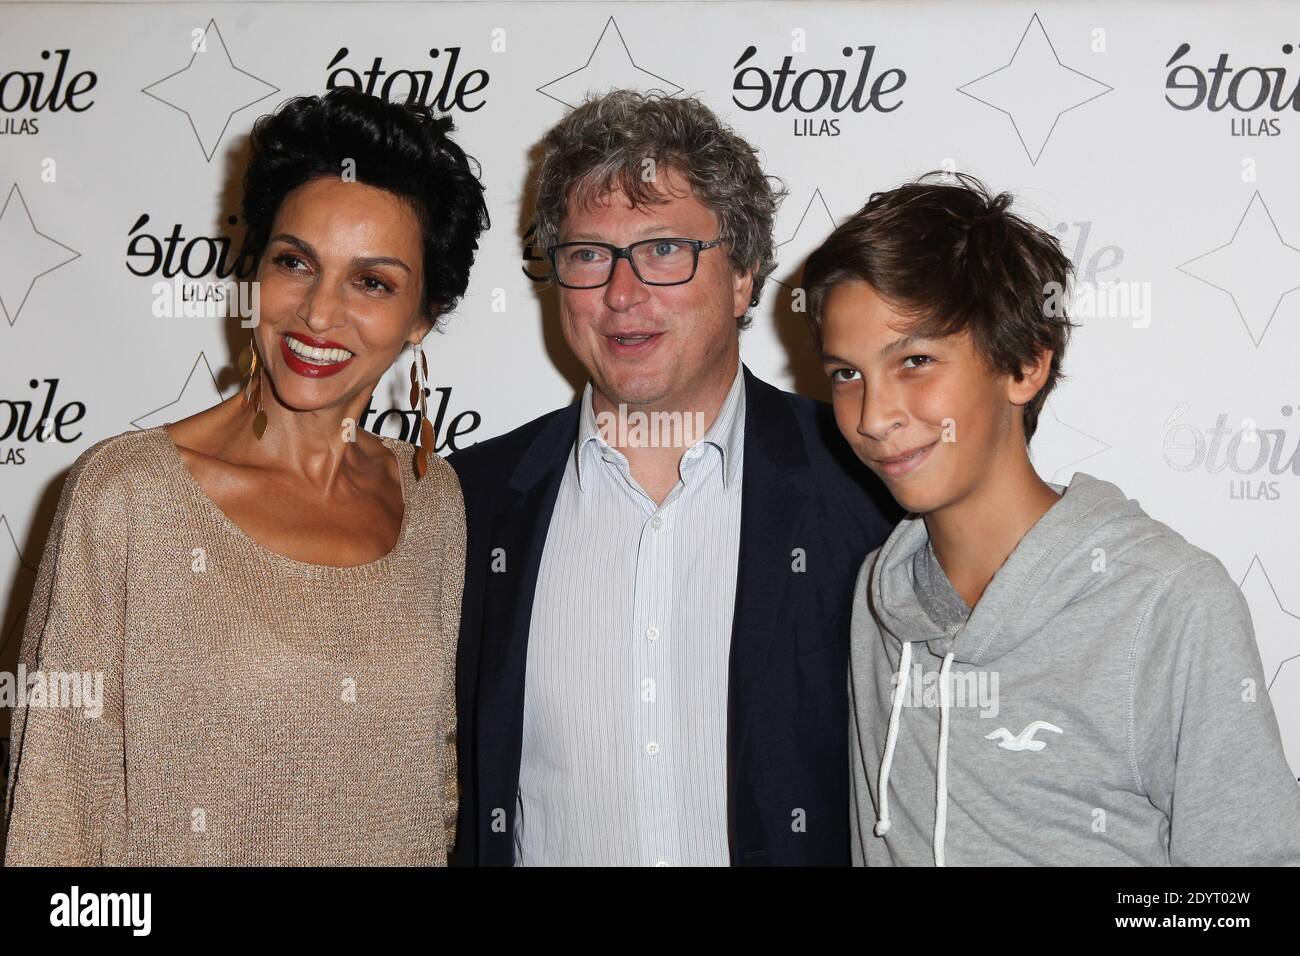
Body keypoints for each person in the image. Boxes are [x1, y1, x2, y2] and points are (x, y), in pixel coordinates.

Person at [3, 87, 489, 865]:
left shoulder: (434, 501)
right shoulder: (129, 495)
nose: (318, 314)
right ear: (252, 271)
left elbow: (436, 793)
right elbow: (54, 817)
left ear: (422, 317)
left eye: (373, 282)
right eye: (295, 262)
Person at [449, 90, 897, 867]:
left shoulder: (865, 481)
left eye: (664, 250)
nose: (622, 295)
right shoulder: (471, 504)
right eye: (589, 254)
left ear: (742, 276)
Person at [803, 170, 1300, 866]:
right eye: (846, 374)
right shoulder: (879, 597)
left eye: (915, 360)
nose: (873, 416)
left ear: (1025, 366)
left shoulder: (1167, 602)